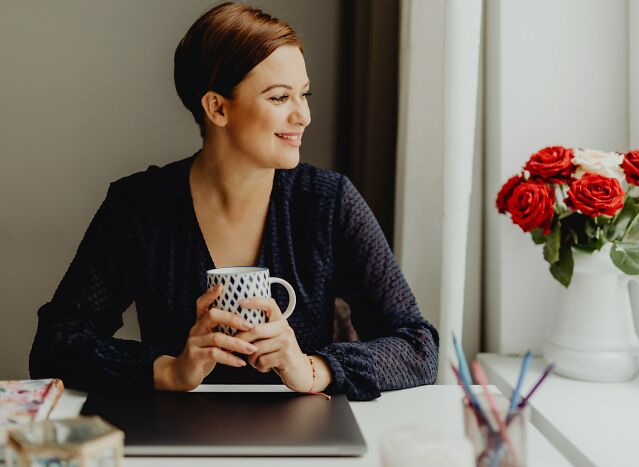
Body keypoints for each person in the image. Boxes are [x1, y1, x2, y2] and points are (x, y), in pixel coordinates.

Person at [29, 2, 438, 401]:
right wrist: (169, 370)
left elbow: (419, 346)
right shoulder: (138, 207)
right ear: (217, 108)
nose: (303, 116)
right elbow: (57, 342)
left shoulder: (328, 203)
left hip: (305, 437)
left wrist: (310, 368)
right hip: (178, 434)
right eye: (280, 98)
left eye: (304, 94)